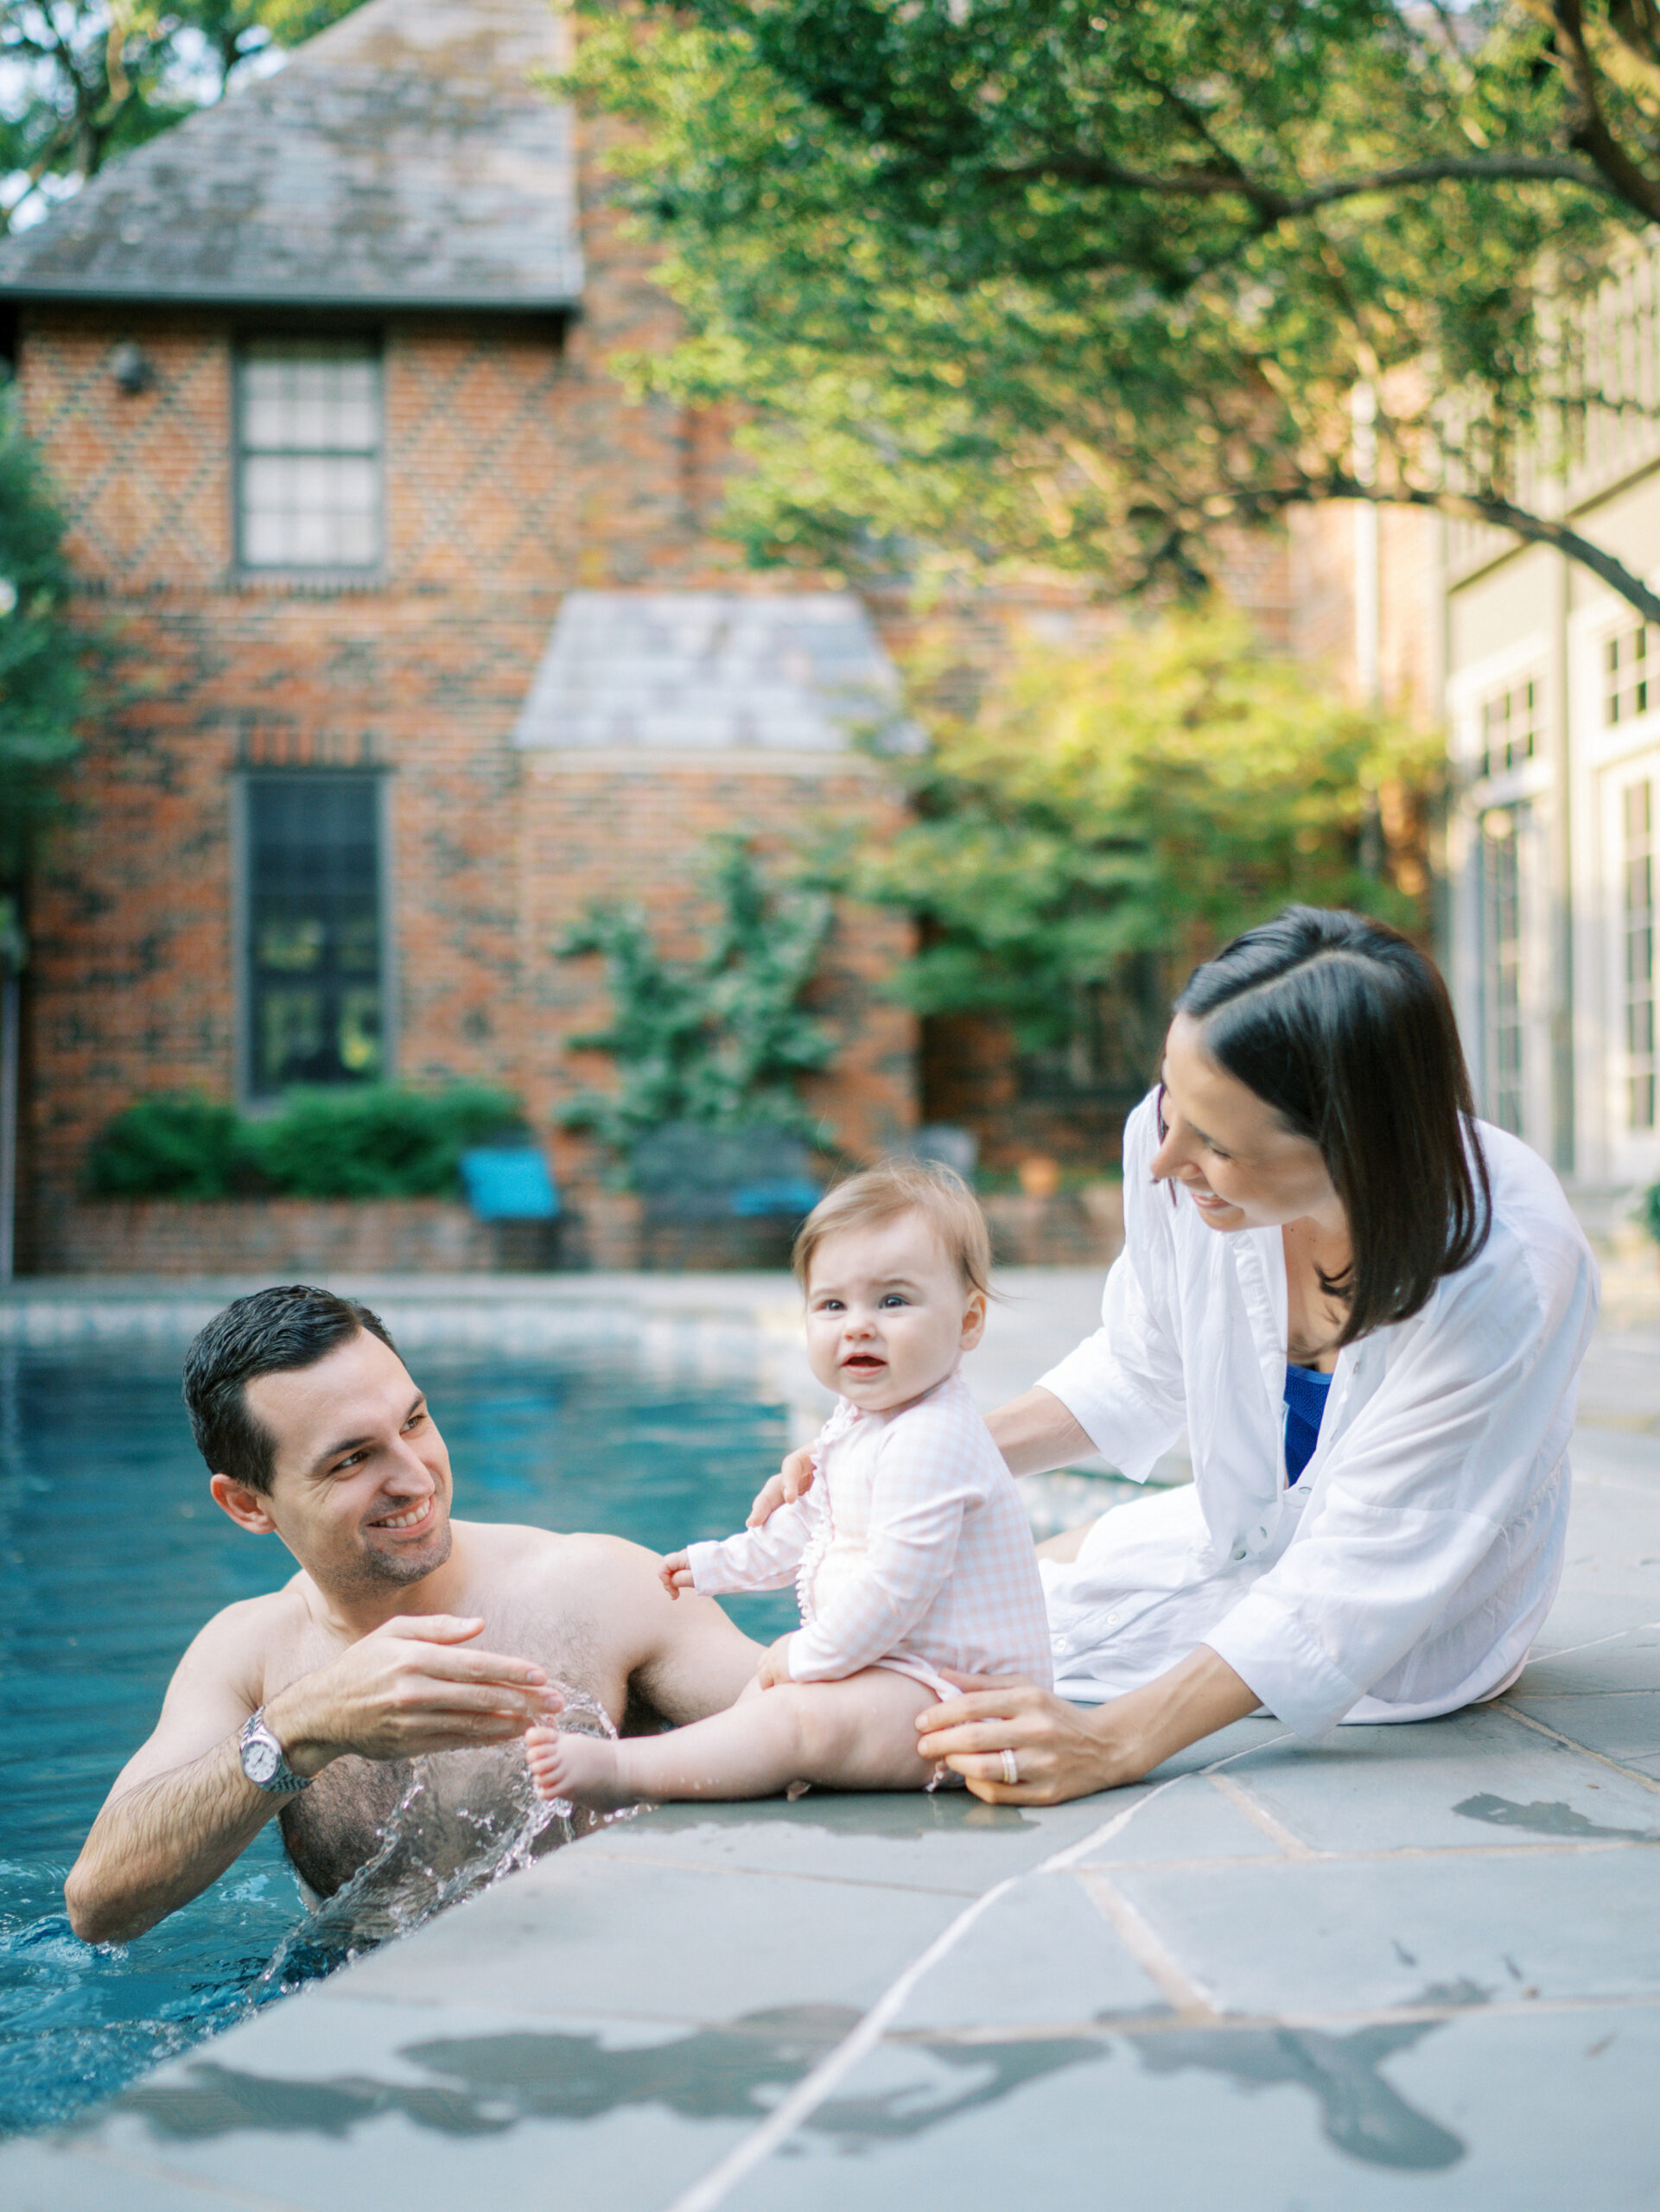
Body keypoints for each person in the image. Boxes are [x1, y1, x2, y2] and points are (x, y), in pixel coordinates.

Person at [750, 907, 1600, 1805]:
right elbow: (1141, 1363)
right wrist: (906, 1458)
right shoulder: (1176, 1138)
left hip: (1412, 1616)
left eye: (1217, 1145)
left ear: (1352, 1144)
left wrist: (1117, 1741)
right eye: (1169, 1102)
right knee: (962, 1633)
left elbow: (1365, 1565)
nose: (1163, 1160)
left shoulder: (1507, 1268)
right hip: (1240, 1530)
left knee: (950, 1693)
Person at [64, 1285, 761, 1944]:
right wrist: (300, 1728)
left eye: (414, 1422)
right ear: (248, 1504)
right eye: (351, 1460)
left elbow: (834, 1723)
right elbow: (99, 1908)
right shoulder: (249, 1657)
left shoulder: (602, 1589)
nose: (415, 1476)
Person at [525, 1161, 1051, 1808]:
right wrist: (718, 1564)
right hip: (903, 1673)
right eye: (832, 1305)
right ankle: (692, 1766)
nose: (858, 1325)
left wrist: (808, 1654)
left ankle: (626, 1772)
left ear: (968, 1322)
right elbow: (807, 1531)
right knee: (766, 1699)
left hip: (972, 1707)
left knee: (793, 1716)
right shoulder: (861, 1423)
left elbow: (895, 1587)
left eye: (893, 1300)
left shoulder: (932, 1437)